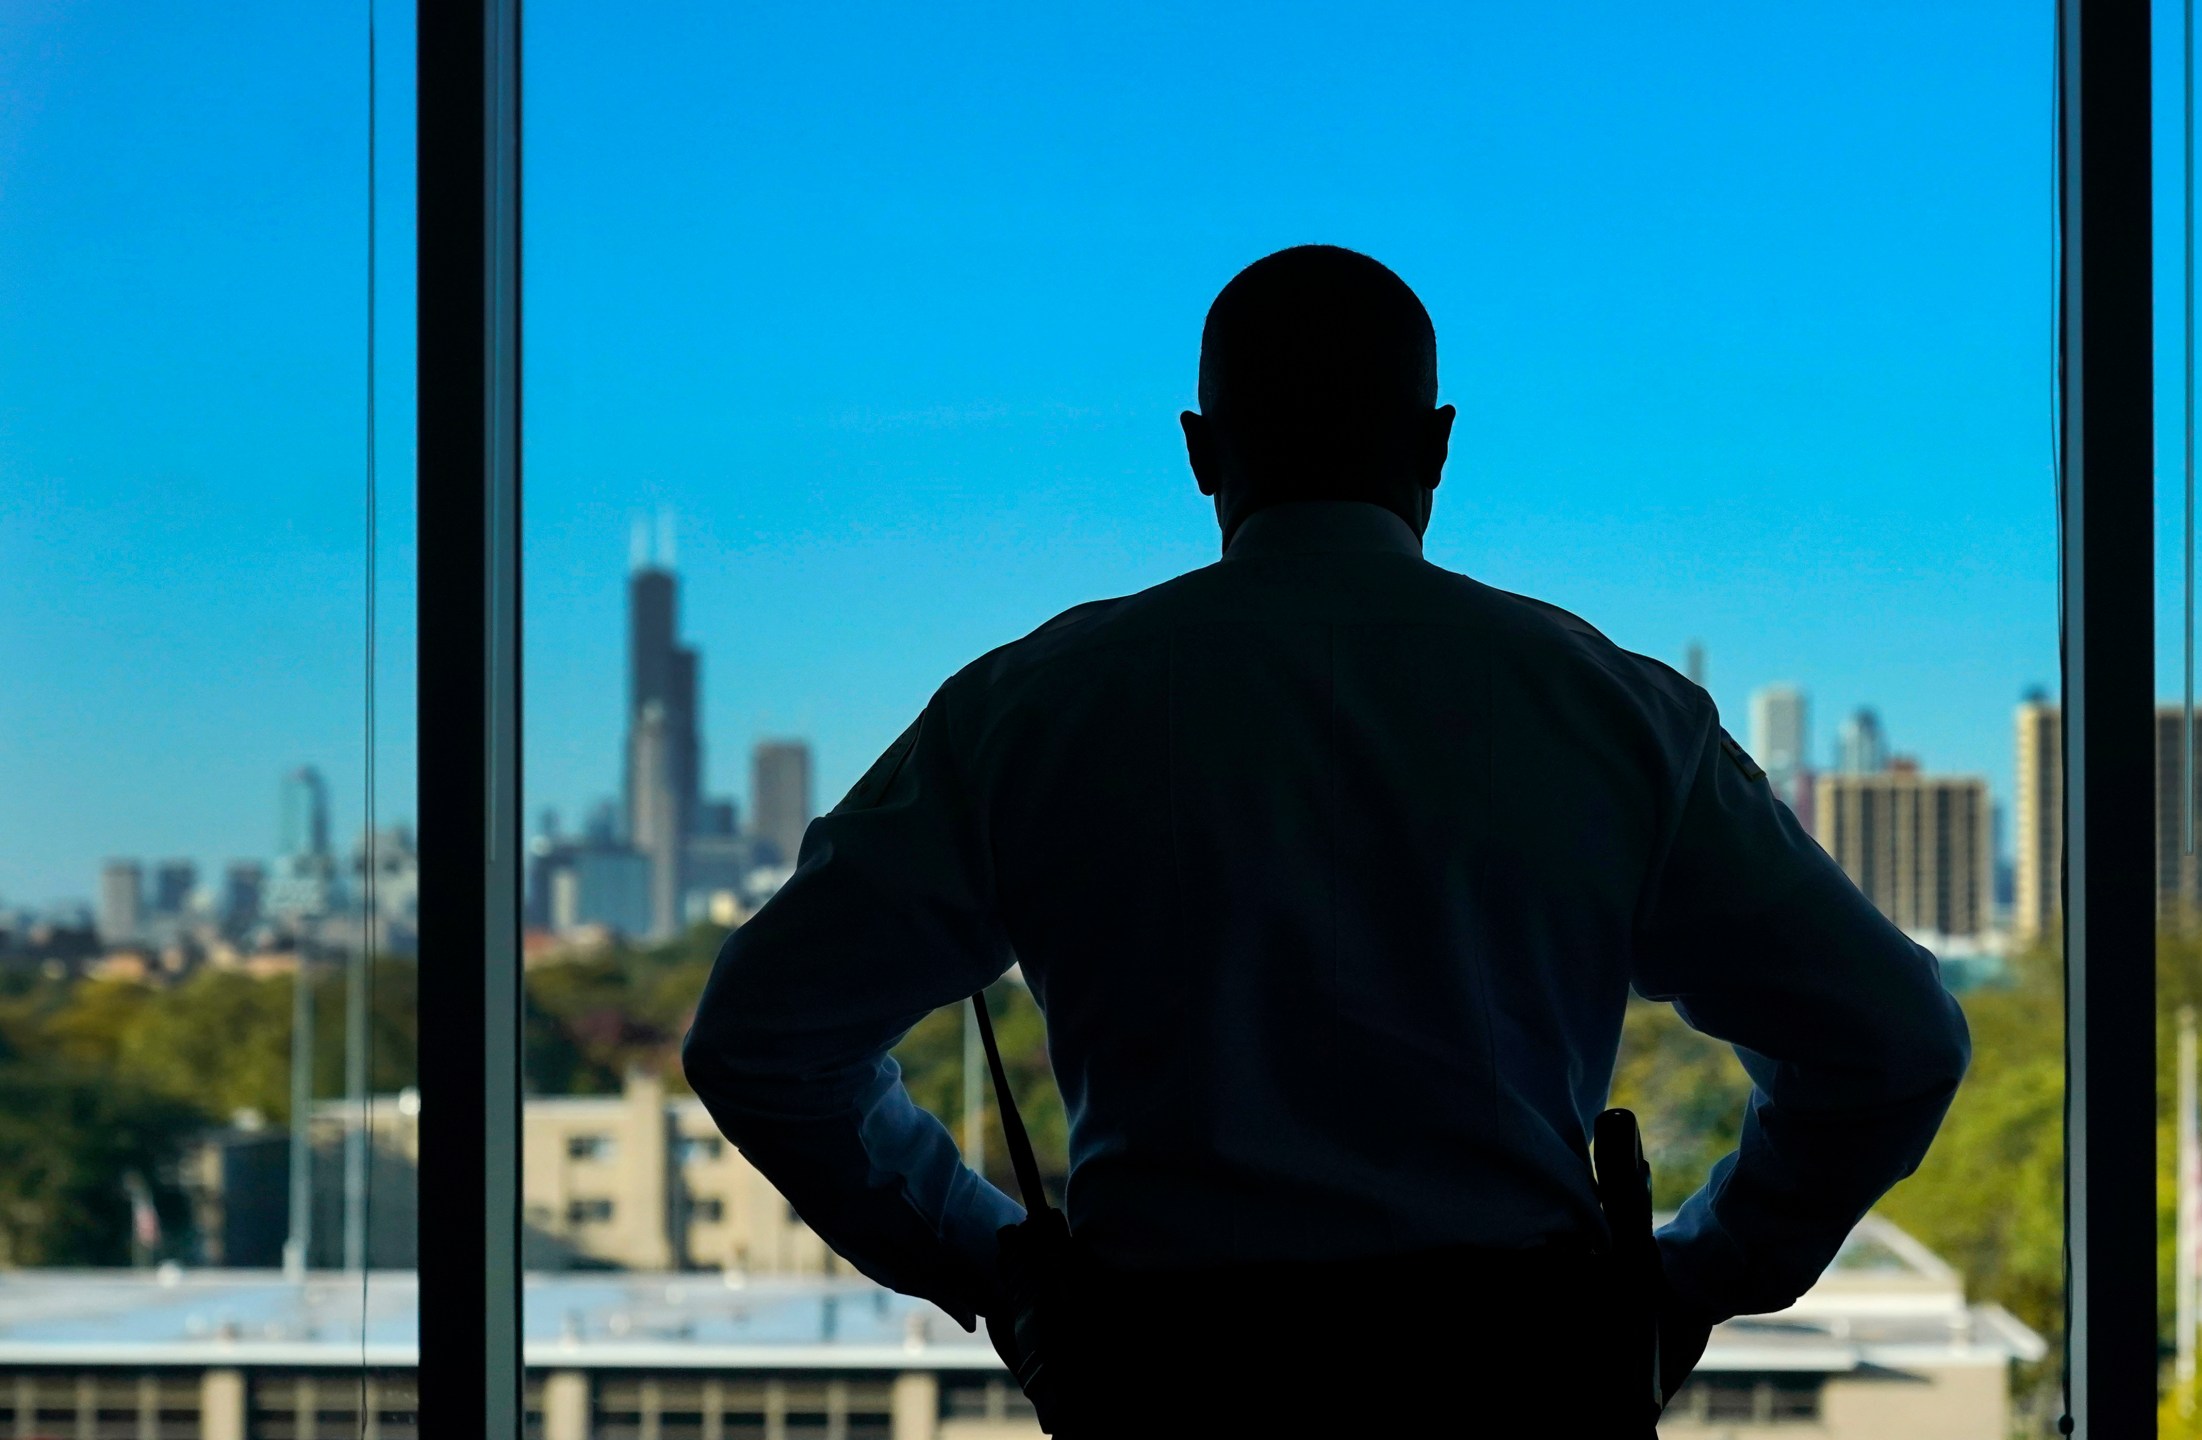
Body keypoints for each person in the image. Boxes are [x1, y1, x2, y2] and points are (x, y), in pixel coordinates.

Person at [683, 245, 1970, 1436]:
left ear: (1198, 449)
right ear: (1438, 445)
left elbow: (763, 1042)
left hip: (1170, 1386)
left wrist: (985, 1257)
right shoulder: (1606, 709)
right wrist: (1693, 1278)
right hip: (1514, 1387)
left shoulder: (1029, 710)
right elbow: (1891, 1045)